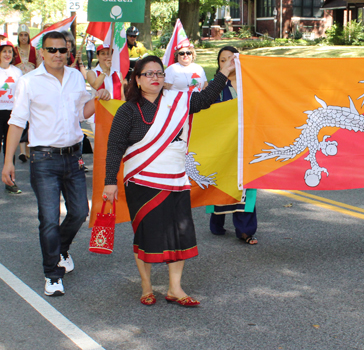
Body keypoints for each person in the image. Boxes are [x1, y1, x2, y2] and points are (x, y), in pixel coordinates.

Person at [103, 54, 235, 306]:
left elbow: (206, 99)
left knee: (179, 233)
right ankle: (146, 286)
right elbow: (114, 146)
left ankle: (175, 288)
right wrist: (110, 181)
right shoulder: (127, 110)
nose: (155, 77)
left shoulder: (178, 101)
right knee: (146, 233)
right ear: (137, 79)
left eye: (159, 73)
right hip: (141, 181)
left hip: (175, 178)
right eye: (149, 74)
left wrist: (224, 72)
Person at [1, 31, 111, 296]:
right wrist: (9, 162)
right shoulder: (28, 82)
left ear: (68, 52)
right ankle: (52, 273)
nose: (58, 55)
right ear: (42, 52)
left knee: (79, 213)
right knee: (49, 218)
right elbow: (17, 123)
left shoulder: (76, 77)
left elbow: (81, 113)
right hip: (43, 159)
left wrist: (98, 99)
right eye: (52, 50)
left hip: (73, 158)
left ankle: (60, 248)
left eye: (63, 50)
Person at [206, 46, 258, 245]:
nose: (227, 62)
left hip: (246, 143)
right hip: (222, 144)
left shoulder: (251, 84)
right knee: (221, 184)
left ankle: (245, 230)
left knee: (245, 185)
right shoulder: (215, 86)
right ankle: (217, 223)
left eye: (231, 58)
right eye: (222, 60)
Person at [13, 24, 40, 163]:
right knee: (21, 115)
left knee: (33, 117)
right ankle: (23, 151)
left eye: (25, 34)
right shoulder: (13, 51)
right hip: (18, 87)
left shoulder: (34, 51)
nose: (23, 37)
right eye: (21, 34)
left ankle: (30, 148)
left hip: (32, 86)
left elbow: (39, 67)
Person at [0, 40, 23, 193]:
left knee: (10, 149)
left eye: (10, 51)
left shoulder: (17, 72)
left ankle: (10, 182)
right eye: (4, 51)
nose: (7, 54)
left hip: (11, 113)